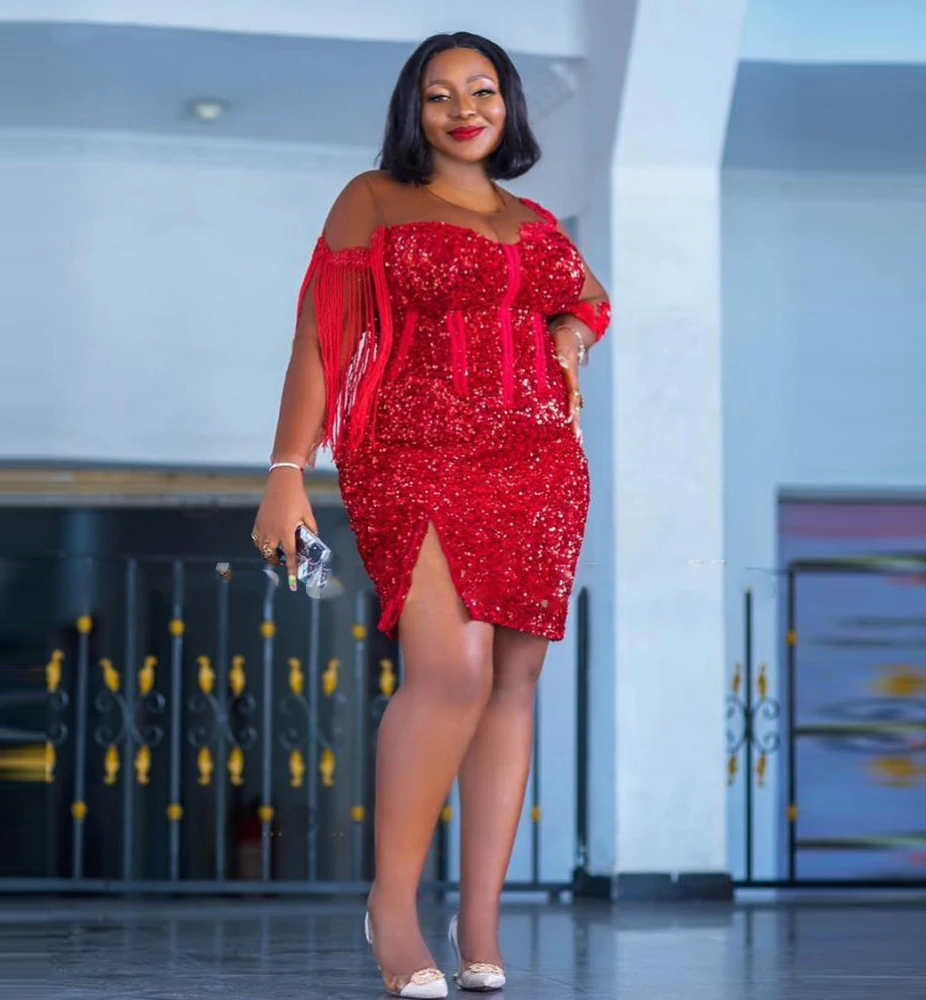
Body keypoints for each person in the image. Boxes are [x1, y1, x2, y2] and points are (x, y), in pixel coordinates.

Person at [251, 30, 610, 998]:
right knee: (452, 671)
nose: (462, 109)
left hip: (540, 464)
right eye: (439, 93)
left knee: (511, 684)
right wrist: (287, 469)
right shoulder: (372, 198)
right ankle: (394, 909)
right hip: (414, 452)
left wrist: (570, 333)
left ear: (508, 105)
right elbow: (320, 337)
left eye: (481, 90)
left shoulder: (535, 220)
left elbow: (589, 297)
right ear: (413, 110)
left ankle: (480, 922)